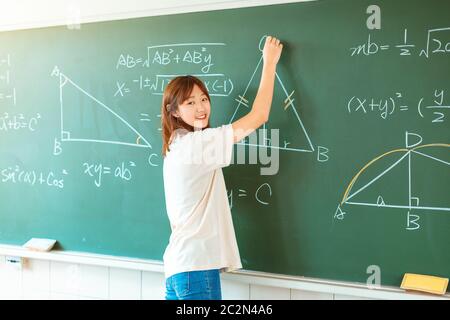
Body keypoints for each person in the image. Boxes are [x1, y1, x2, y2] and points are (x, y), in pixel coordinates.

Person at [161, 36, 283, 300]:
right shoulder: (196, 144)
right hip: (197, 268)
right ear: (174, 111)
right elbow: (259, 115)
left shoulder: (176, 144)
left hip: (179, 268)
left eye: (203, 99)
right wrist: (270, 63)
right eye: (190, 103)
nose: (201, 107)